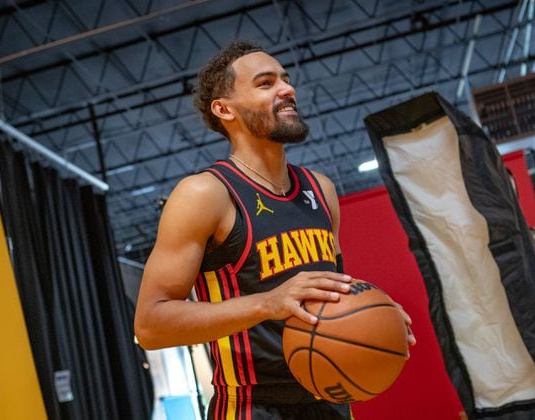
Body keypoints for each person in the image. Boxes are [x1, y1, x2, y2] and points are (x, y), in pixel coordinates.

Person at [134, 40, 416, 420]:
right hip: (253, 407)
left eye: (285, 79)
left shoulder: (321, 189)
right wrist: (268, 303)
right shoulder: (206, 194)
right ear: (224, 109)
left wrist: (372, 312)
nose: (287, 89)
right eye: (266, 83)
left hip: (330, 397)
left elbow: (328, 293)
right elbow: (151, 324)